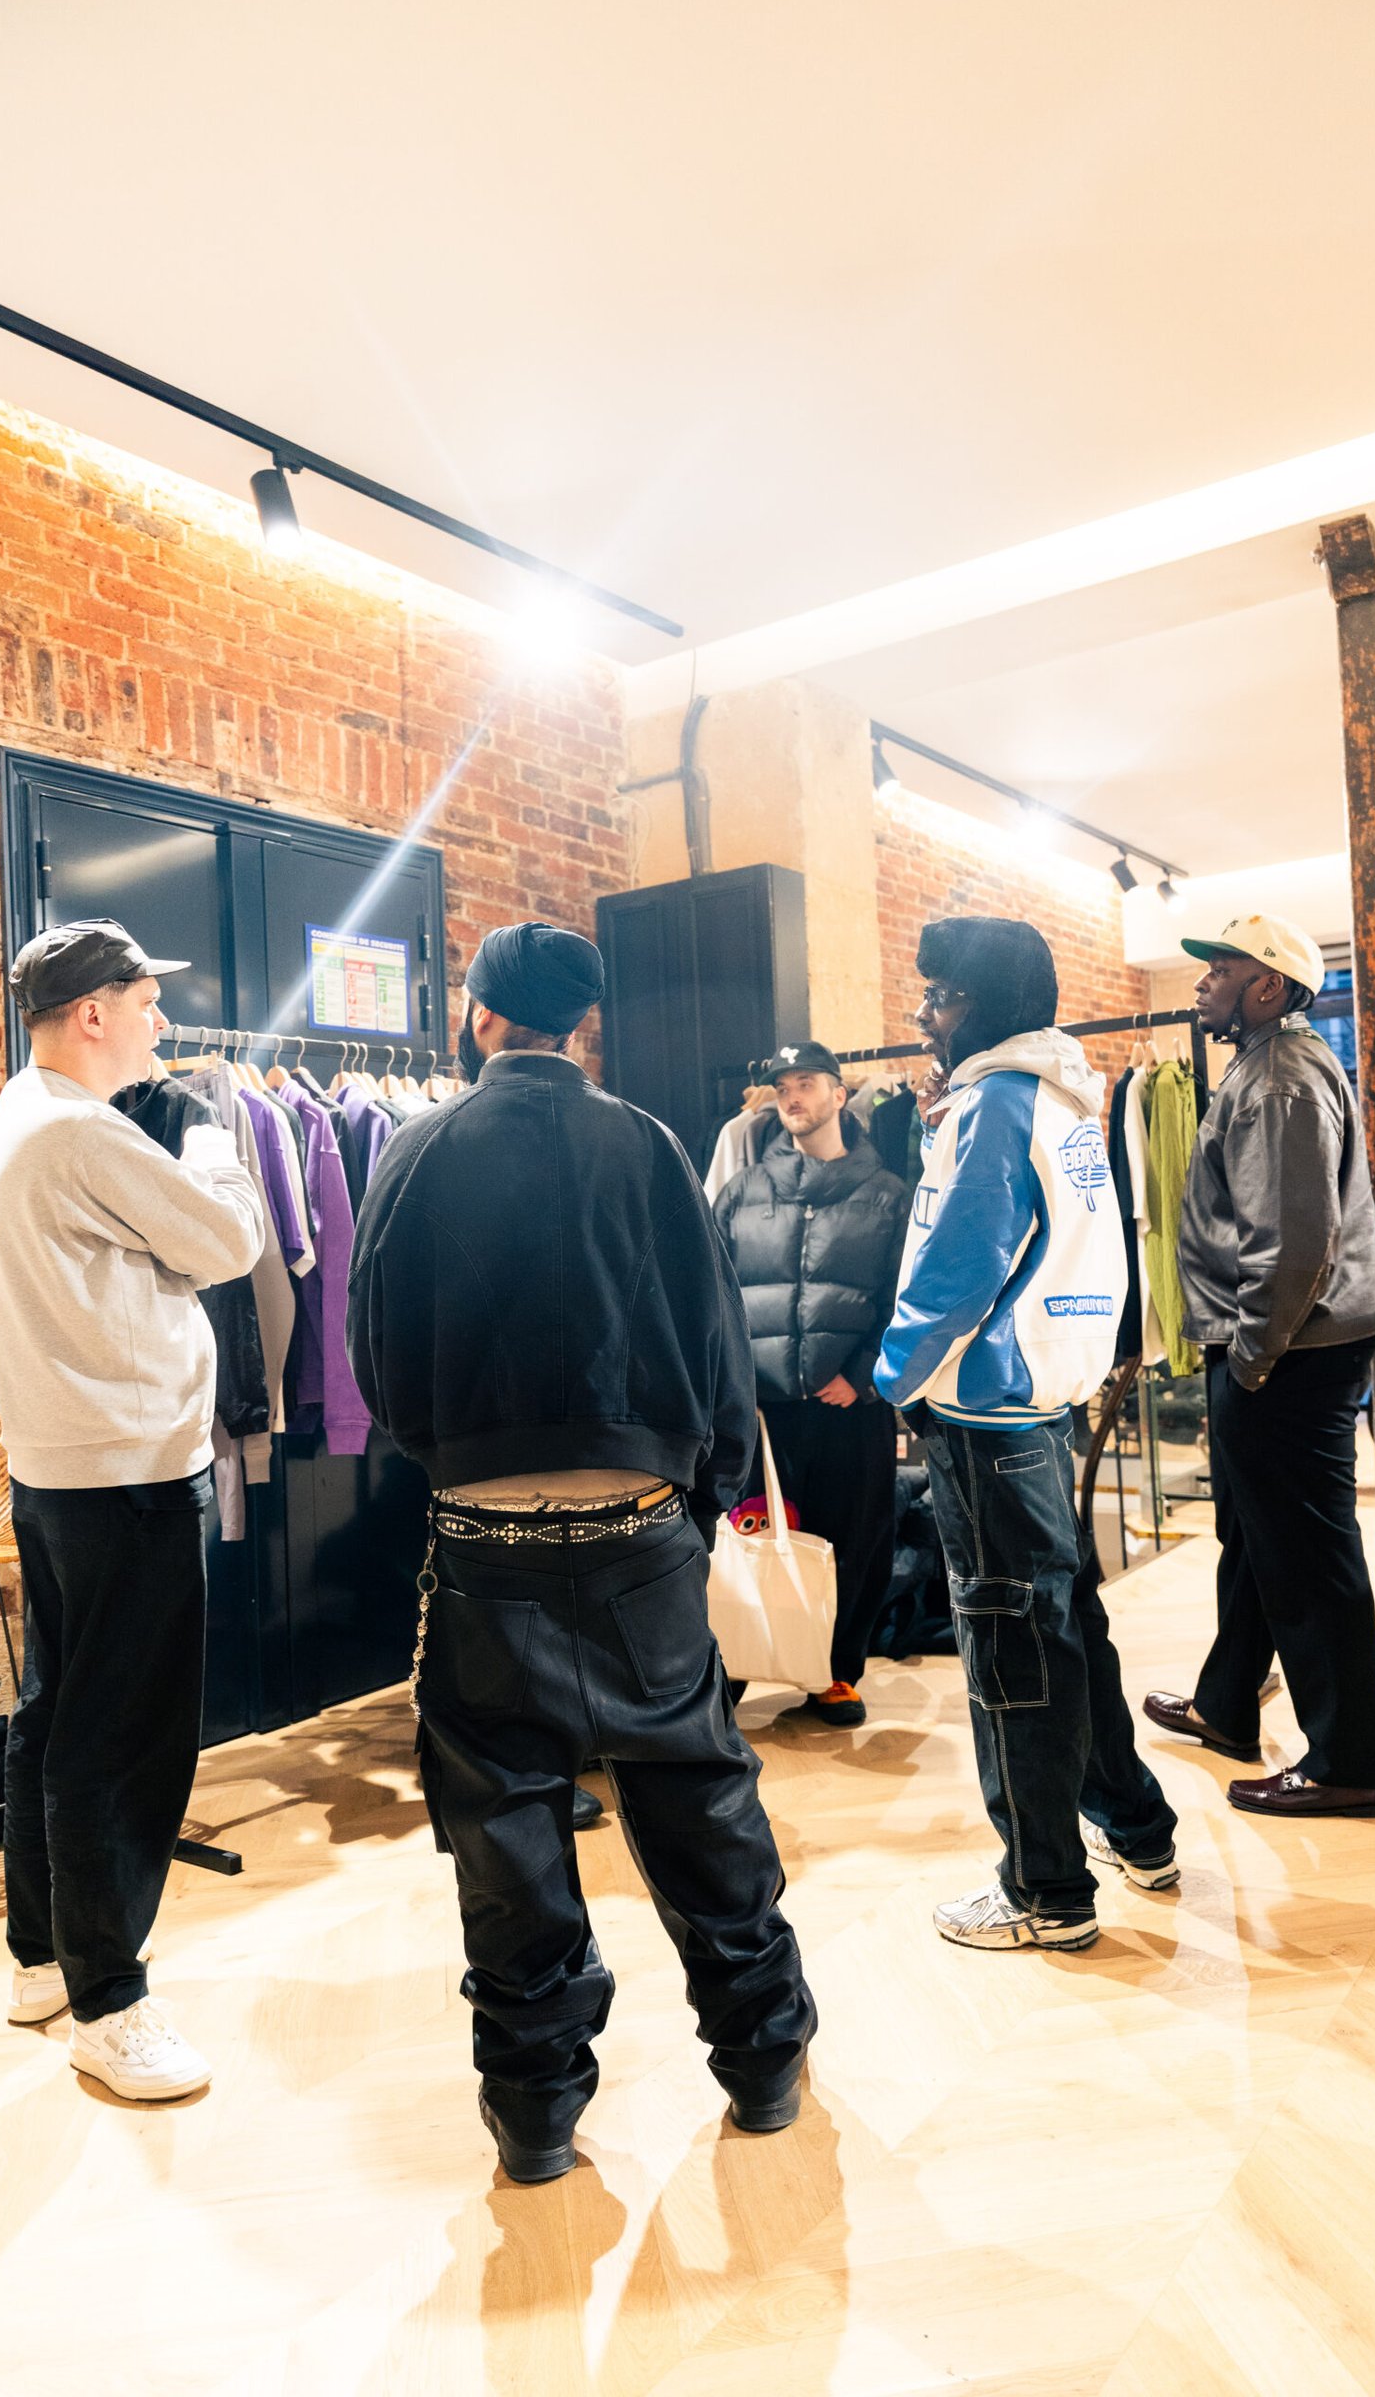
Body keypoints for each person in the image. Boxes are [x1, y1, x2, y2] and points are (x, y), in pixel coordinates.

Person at [347, 920, 816, 2184]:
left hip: (484, 1533)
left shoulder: (417, 1150)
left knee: (503, 1822)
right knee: (697, 1793)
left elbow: (373, 1351)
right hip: (640, 1527)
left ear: (478, 1013)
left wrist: (448, 1456)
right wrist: (704, 1499)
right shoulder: (649, 1145)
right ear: (581, 1024)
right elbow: (718, 1339)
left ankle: (536, 2110)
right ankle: (763, 2059)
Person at [0, 919, 265, 2099]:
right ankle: (110, 2000)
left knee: (58, 1714)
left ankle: (43, 1955)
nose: (160, 1020)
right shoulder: (84, 1132)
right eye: (145, 1001)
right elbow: (229, 1241)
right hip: (128, 1474)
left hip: (60, 1468)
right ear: (92, 1012)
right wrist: (213, 1137)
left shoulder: (19, 1113)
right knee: (124, 1739)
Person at [875, 916, 1178, 1952]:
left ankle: (1045, 1891)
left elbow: (960, 1263)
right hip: (1042, 1399)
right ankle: (1136, 1829)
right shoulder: (1061, 1096)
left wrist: (892, 1379)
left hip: (985, 1410)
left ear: (989, 1004)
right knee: (1064, 1626)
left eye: (943, 995)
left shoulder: (998, 1102)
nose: (926, 1013)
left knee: (1012, 1645)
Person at [1142, 912, 1375, 1817]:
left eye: (1219, 968)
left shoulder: (1280, 1079)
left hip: (1291, 1347)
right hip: (1289, 1343)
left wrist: (1251, 1357)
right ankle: (1226, 1704)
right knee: (1256, 1534)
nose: (1201, 982)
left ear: (1268, 986)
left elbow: (1292, 1241)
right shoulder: (1265, 1064)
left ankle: (1346, 1765)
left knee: (1308, 1554)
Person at [713, 1040, 909, 1726]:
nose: (792, 1098)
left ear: (839, 1095)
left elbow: (904, 1299)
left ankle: (834, 1673)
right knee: (748, 1537)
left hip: (847, 1406)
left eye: (806, 1084)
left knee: (854, 1538)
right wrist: (732, 1385)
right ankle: (733, 1666)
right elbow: (714, 1296)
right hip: (763, 1410)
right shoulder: (742, 1193)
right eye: (783, 1088)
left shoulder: (887, 1195)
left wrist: (862, 1375)